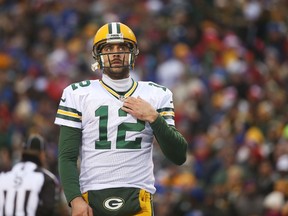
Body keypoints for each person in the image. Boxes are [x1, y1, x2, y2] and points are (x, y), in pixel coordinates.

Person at [54, 21, 188, 216]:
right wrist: (75, 200)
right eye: (108, 47)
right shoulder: (77, 93)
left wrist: (154, 117)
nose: (115, 53)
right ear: (97, 55)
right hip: (91, 198)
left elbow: (179, 155)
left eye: (122, 47)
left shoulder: (157, 94)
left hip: (139, 195)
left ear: (133, 53)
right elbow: (67, 156)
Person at [0, 134, 60, 216]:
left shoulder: (3, 176)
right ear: (42, 155)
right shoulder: (46, 178)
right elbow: (48, 210)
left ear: (22, 153)